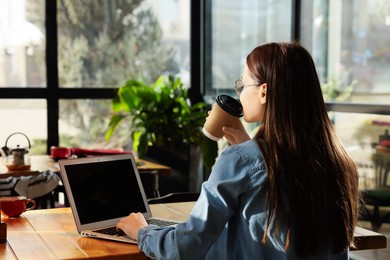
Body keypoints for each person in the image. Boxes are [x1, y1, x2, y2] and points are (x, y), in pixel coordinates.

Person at [116, 42, 360, 259]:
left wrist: (142, 231)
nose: (240, 92)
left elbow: (185, 248)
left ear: (263, 92)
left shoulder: (241, 161)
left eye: (243, 84)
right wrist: (247, 146)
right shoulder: (339, 163)